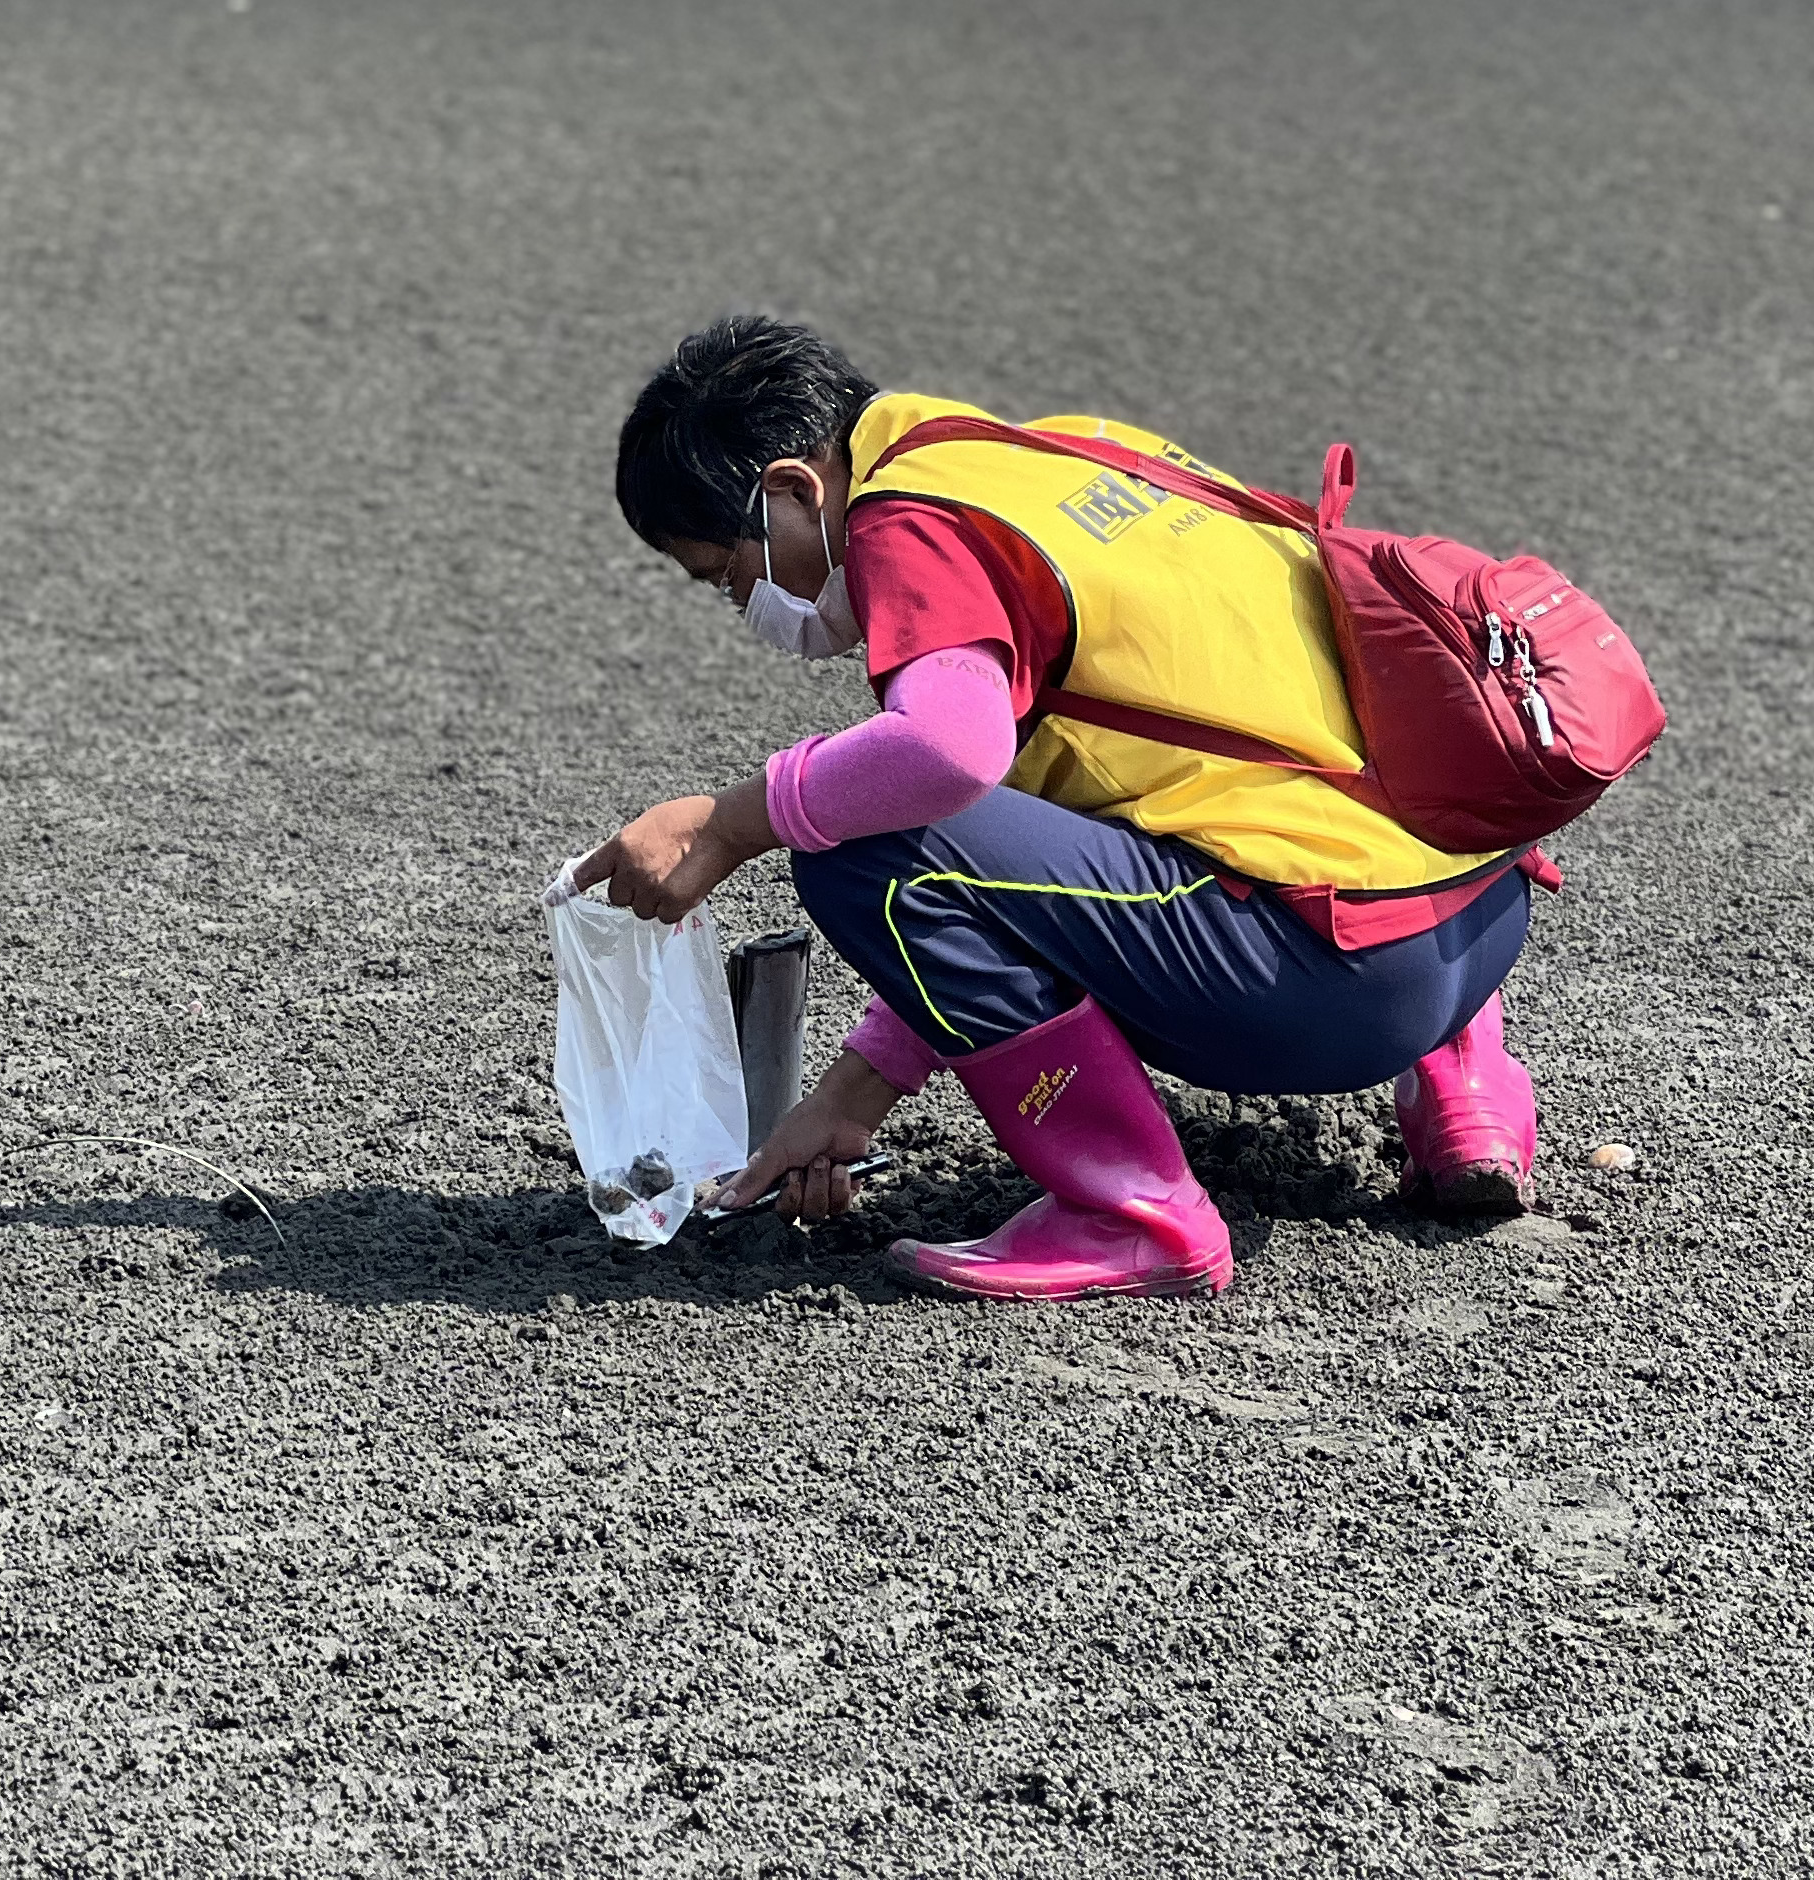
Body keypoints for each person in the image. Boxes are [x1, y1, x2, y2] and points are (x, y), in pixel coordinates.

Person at [571, 313, 1553, 1304]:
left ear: (794, 489)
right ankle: (1468, 1085)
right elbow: (1038, 870)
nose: (745, 604)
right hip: (1477, 914)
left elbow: (948, 754)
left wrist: (729, 822)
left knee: (856, 846)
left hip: (1337, 984)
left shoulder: (910, 524)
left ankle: (1131, 1211)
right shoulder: (1063, 459)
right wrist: (849, 1097)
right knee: (1259, 755)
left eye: (729, 574)